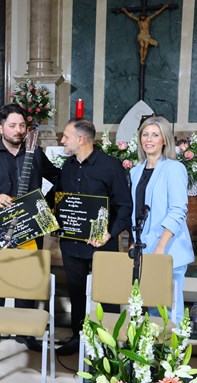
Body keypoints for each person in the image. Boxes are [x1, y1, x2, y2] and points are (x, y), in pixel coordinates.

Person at [0, 103, 60, 352]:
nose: (18, 130)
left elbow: (59, 178)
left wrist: (46, 204)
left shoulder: (35, 153)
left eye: (22, 126)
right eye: (13, 125)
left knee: (26, 278)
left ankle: (25, 331)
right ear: (1, 128)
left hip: (29, 227)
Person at [55, 118, 132, 356]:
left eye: (66, 136)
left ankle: (110, 342)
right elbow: (59, 200)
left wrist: (109, 234)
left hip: (103, 244)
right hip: (71, 245)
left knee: (108, 296)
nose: (62, 141)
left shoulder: (111, 166)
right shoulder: (67, 166)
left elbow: (125, 207)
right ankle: (78, 338)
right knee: (77, 295)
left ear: (81, 139)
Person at [130, 116, 194, 325]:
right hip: (145, 249)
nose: (149, 139)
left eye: (155, 135)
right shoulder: (136, 171)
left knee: (169, 312)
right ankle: (153, 356)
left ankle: (172, 356)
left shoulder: (174, 169)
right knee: (152, 312)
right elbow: (137, 211)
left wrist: (160, 247)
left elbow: (178, 211)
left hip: (167, 250)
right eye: (145, 134)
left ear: (164, 140)